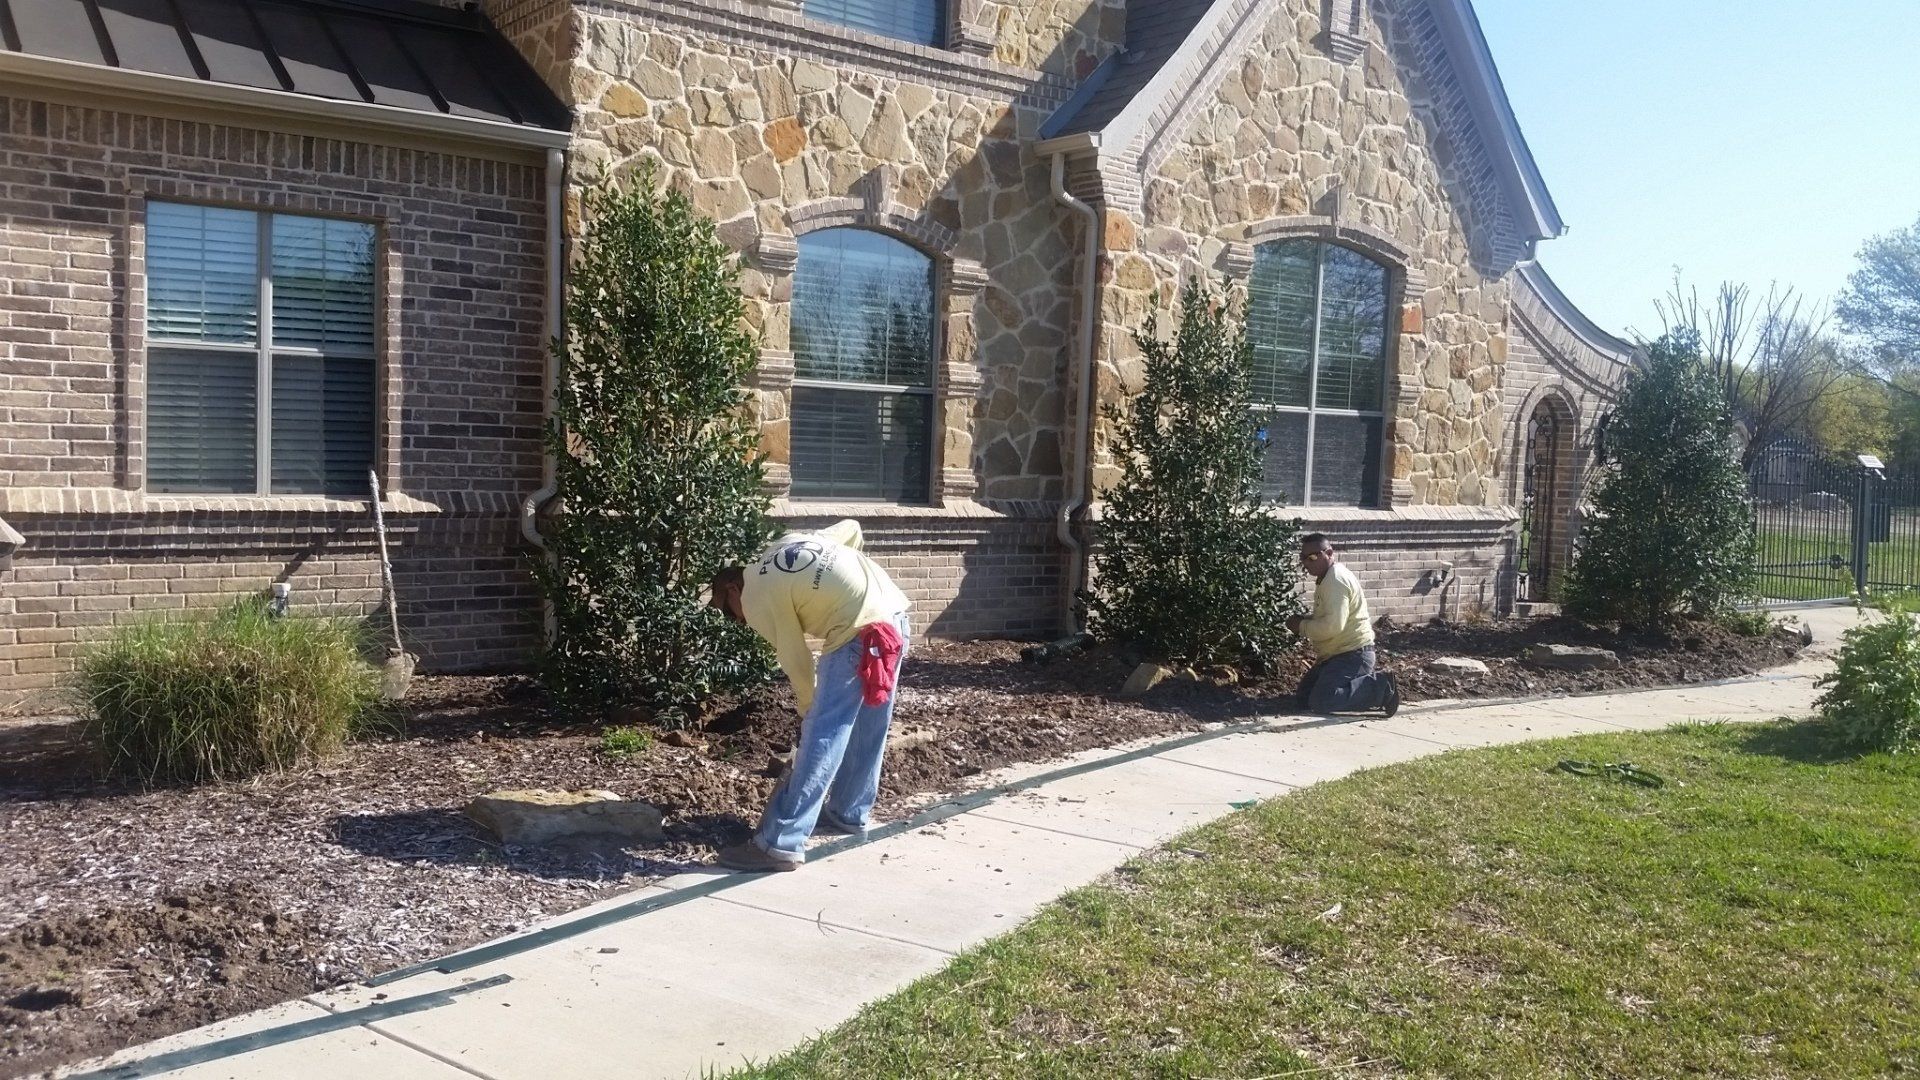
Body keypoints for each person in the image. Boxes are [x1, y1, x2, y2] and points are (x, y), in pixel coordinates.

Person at [707, 519, 910, 873]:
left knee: (823, 733)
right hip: (892, 617)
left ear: (732, 589)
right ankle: (849, 813)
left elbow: (796, 661)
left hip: (856, 633)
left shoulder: (755, 597)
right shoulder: (786, 543)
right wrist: (849, 589)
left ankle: (779, 845)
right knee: (867, 724)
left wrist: (808, 711)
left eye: (728, 612)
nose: (736, 621)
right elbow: (852, 529)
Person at [1285, 533, 1400, 716]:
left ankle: (1382, 688)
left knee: (1322, 700)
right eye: (1303, 557)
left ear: (1329, 553)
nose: (1307, 562)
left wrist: (1301, 626)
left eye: (1313, 557)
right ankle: (1358, 686)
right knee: (1304, 698)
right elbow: (1332, 617)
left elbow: (1332, 627)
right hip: (1335, 655)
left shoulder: (1335, 580)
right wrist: (1305, 620)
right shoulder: (1328, 577)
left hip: (1352, 656)